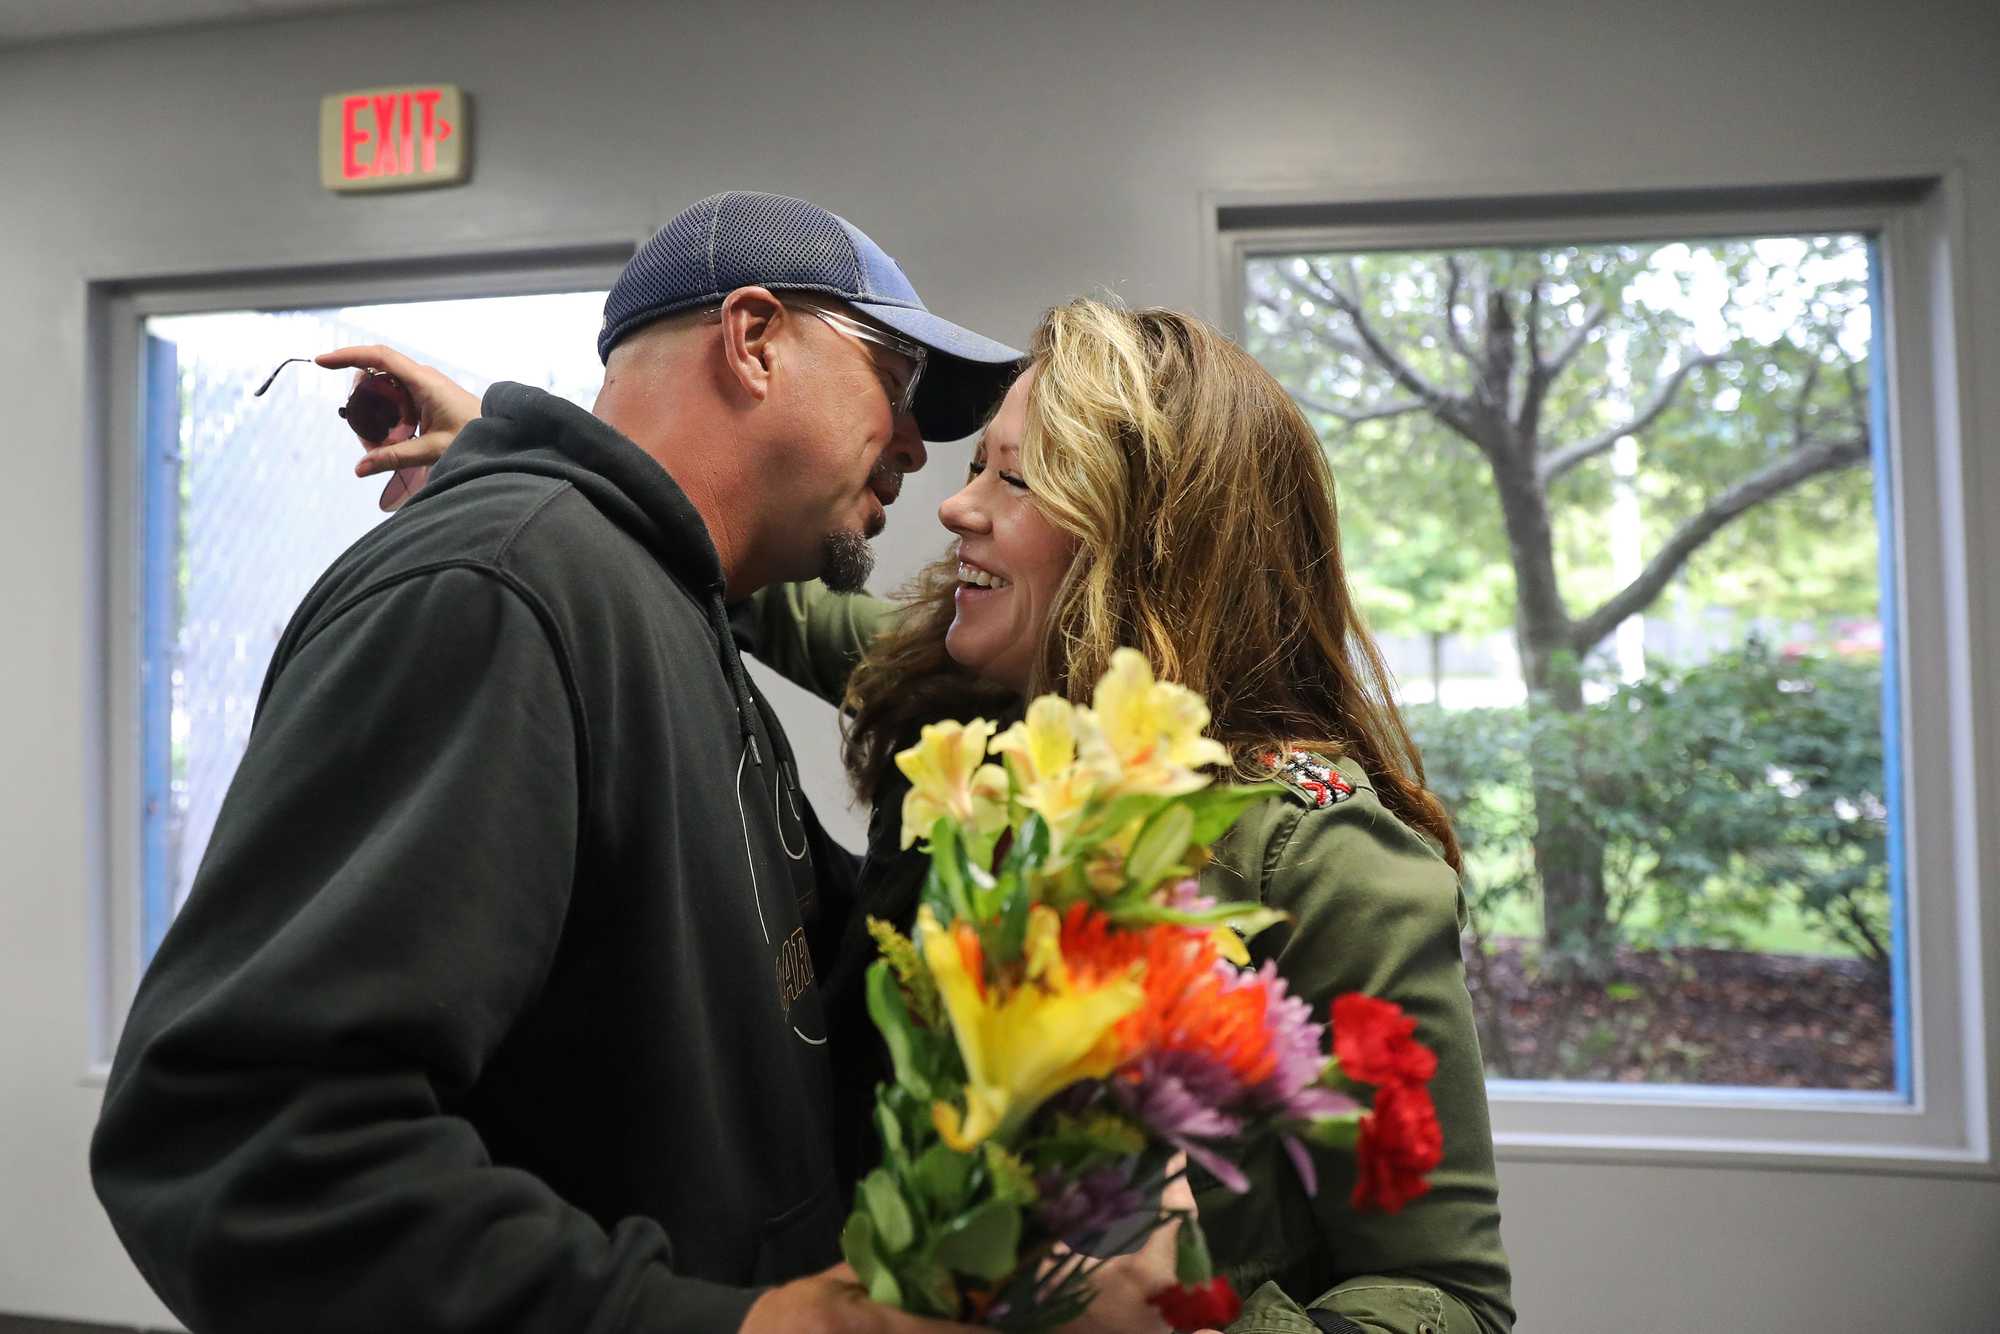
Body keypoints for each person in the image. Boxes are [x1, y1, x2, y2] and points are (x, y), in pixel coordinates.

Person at [337, 298, 1517, 1334]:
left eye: (1013, 478)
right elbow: (736, 543)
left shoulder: (1326, 857)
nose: (955, 507)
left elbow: (1449, 1297)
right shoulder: (977, 713)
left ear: (1147, 539)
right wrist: (514, 433)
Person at [89, 191, 1029, 1334]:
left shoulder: (664, 603)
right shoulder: (498, 590)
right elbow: (241, 1136)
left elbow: (779, 977)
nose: (914, 445)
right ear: (753, 338)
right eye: (896, 380)